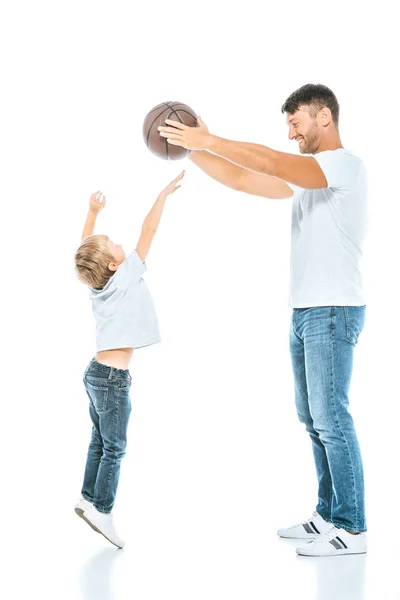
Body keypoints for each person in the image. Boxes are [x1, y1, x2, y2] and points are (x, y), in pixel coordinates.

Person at [159, 84, 368, 557]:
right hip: (306, 311)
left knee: (332, 418)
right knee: (313, 418)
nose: (291, 134)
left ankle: (353, 529)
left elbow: (271, 161)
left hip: (332, 309)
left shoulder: (343, 166)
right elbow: (242, 178)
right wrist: (187, 150)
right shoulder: (312, 178)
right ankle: (328, 514)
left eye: (296, 124)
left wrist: (208, 138)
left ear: (324, 119)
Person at [73, 171, 185, 548]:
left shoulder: (96, 284)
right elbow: (148, 230)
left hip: (95, 374)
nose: (123, 246)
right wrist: (163, 195)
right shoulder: (125, 274)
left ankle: (87, 498)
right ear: (114, 265)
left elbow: (85, 249)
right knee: (115, 447)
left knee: (98, 441)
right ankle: (102, 510)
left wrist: (92, 213)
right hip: (112, 380)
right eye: (116, 246)